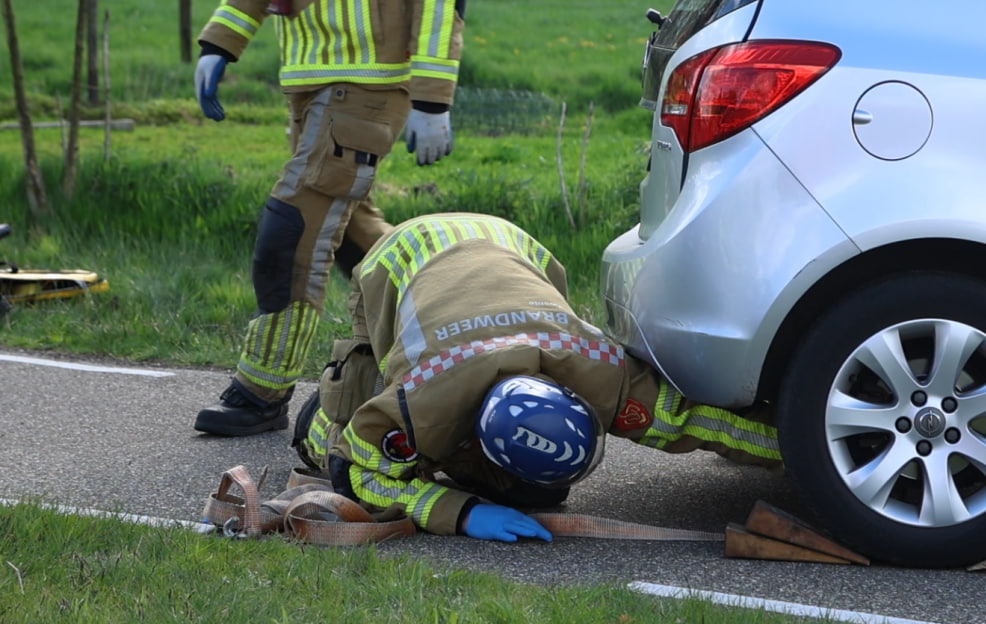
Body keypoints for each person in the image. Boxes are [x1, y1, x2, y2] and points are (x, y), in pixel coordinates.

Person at [291, 212, 782, 542]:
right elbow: (363, 473)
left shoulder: (597, 369)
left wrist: (798, 455)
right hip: (397, 258)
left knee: (538, 494)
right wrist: (460, 512)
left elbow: (690, 421)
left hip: (514, 246)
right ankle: (314, 418)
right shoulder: (422, 400)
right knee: (347, 419)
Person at [190, 0, 466, 436]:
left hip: (368, 90)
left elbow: (438, 7)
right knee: (361, 239)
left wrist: (432, 99)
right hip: (310, 87)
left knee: (294, 234)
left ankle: (261, 390)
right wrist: (221, 43)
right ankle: (460, 331)